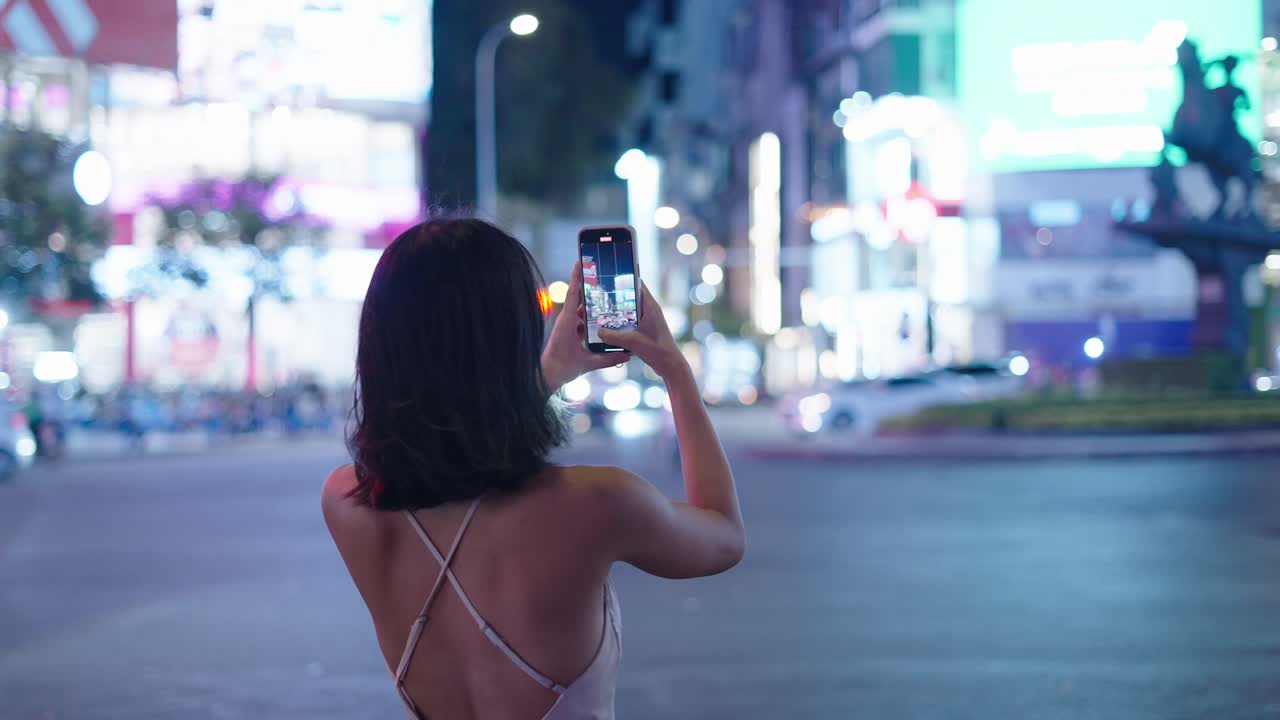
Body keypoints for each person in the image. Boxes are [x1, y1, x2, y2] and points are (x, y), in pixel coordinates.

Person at [322, 218, 745, 720]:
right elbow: (723, 536)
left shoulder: (347, 502)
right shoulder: (596, 502)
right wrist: (675, 370)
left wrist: (551, 373)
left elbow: (457, 452)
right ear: (511, 339)